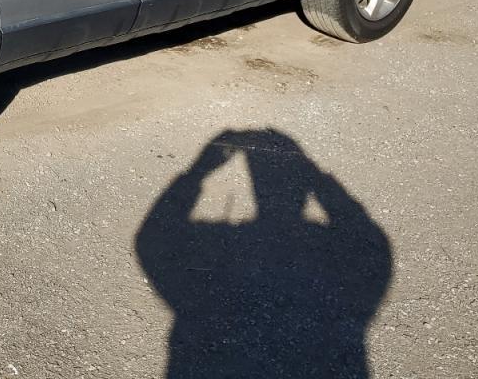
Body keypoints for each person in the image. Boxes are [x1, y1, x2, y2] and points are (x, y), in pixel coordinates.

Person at [136, 129, 392, 378]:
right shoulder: (340, 271)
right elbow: (370, 245)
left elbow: (152, 241)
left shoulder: (205, 276)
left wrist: (198, 172)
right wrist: (316, 178)